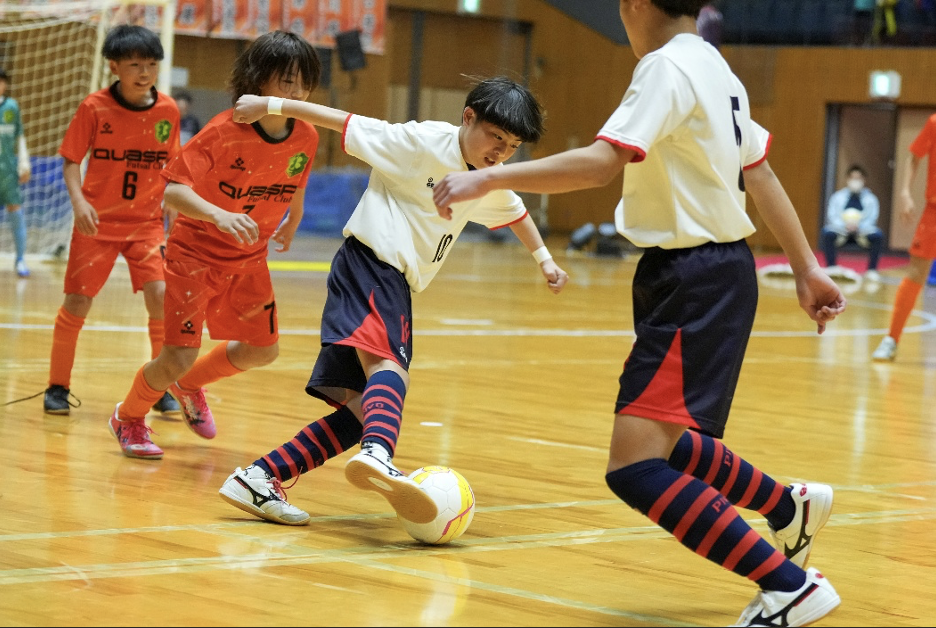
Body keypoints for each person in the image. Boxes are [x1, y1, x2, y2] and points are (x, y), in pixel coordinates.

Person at [431, 2, 846, 626]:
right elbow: (759, 174)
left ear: (635, 4)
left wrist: (487, 180)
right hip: (705, 274)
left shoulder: (665, 67)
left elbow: (602, 164)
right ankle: (787, 507)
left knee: (636, 466)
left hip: (693, 279)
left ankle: (790, 586)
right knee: (666, 441)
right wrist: (807, 267)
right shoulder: (716, 68)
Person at [217, 76, 568, 526]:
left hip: (388, 279)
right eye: (496, 137)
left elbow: (515, 211)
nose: (501, 151)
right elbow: (341, 121)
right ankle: (379, 453)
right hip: (372, 264)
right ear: (468, 117)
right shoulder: (417, 143)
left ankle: (259, 478)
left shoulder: (486, 178)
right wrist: (270, 104)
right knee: (391, 370)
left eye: (513, 146)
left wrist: (545, 260)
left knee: (361, 411)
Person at [107, 30, 321, 459]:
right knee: (176, 356)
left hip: (249, 258)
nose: (296, 92)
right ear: (257, 80)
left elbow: (296, 178)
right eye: (286, 81)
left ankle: (189, 386)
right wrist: (218, 215)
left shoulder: (307, 135)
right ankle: (128, 418)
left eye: (304, 83)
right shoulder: (224, 131)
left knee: (264, 349)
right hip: (195, 255)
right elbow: (172, 191)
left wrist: (294, 218)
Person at [44, 25, 181, 416]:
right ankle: (57, 387)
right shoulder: (94, 107)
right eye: (135, 64)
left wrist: (174, 201)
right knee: (77, 301)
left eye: (151, 64)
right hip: (97, 224)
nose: (144, 72)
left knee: (161, 296)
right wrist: (79, 202)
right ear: (114, 67)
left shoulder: (168, 110)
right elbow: (71, 160)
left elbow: (174, 165)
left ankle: (158, 387)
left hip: (146, 225)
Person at [872, 112, 936, 361]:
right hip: (933, 213)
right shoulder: (934, 123)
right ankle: (892, 338)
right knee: (916, 274)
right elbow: (914, 155)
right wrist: (905, 192)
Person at [821, 164, 884, 281]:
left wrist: (858, 226)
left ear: (864, 180)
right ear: (847, 179)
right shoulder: (837, 197)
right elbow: (832, 216)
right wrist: (844, 225)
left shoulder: (871, 199)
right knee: (827, 233)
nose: (855, 181)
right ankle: (831, 268)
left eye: (858, 178)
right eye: (853, 178)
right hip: (841, 231)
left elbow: (872, 218)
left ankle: (872, 270)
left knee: (878, 235)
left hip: (862, 232)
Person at [0, 67, 32, 278]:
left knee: (16, 212)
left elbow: (19, 136)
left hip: (7, 171)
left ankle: (20, 259)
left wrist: (24, 163)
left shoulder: (11, 107)